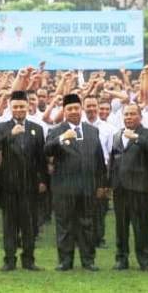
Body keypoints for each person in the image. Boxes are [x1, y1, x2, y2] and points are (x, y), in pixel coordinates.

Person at [45, 93, 108, 271]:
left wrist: (102, 184)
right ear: (64, 111)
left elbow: (99, 159)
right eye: (69, 109)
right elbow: (46, 150)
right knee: (64, 224)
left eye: (76, 108)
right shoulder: (56, 130)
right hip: (64, 188)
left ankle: (88, 260)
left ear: (81, 109)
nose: (73, 111)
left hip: (87, 188)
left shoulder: (92, 130)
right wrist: (61, 138)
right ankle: (65, 261)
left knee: (87, 224)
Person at [0, 90, 47, 271]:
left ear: (28, 107)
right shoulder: (2, 127)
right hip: (8, 184)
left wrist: (42, 180)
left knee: (29, 224)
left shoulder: (37, 129)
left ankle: (29, 259)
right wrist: (11, 135)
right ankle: (9, 260)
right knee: (9, 224)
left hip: (29, 185)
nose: (19, 110)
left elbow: (41, 158)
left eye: (22, 106)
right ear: (10, 108)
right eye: (15, 106)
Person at [108, 103, 148, 271]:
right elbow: (113, 159)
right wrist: (109, 183)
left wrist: (136, 138)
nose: (128, 117)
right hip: (120, 188)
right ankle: (121, 258)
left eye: (132, 114)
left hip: (139, 188)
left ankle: (144, 260)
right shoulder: (117, 135)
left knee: (141, 225)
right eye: (126, 114)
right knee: (121, 226)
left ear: (140, 116)